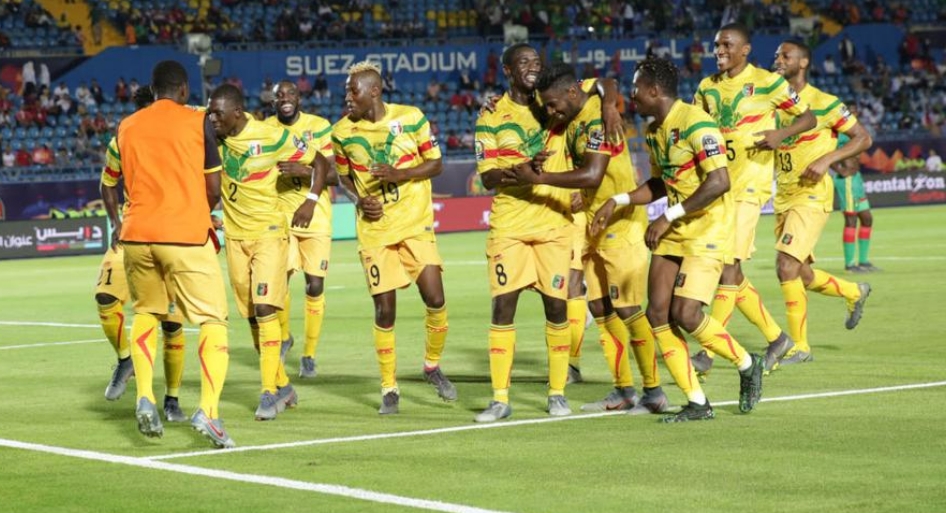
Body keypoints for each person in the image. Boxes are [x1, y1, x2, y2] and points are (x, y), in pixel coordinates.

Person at [591, 57, 765, 422]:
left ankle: (748, 363)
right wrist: (618, 200)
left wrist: (668, 216)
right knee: (657, 312)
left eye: (636, 88)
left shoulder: (696, 123)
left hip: (708, 229)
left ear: (655, 90)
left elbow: (719, 181)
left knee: (685, 313)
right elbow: (661, 183)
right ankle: (697, 402)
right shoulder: (654, 131)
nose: (631, 95)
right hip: (675, 230)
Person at [516, 60, 669, 415]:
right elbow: (604, 81)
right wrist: (608, 99)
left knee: (628, 308)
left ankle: (654, 391)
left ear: (572, 93)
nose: (551, 112)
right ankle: (623, 389)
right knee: (600, 308)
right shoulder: (581, 100)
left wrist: (540, 179)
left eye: (554, 105)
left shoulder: (597, 122)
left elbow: (592, 175)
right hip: (593, 222)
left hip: (620, 222)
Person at [107, 60, 233, 448]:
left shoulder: (126, 126)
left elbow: (116, 180)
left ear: (154, 87)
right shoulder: (197, 121)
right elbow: (213, 188)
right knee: (213, 319)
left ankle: (145, 395)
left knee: (146, 312)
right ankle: (208, 411)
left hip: (137, 235)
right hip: (184, 235)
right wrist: (198, 211)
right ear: (182, 90)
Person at [691, 23, 815, 376]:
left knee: (727, 266)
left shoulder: (768, 82)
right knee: (729, 271)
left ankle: (708, 353)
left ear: (745, 50)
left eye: (727, 45)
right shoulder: (706, 87)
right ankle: (777, 338)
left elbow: (808, 117)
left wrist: (781, 134)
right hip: (717, 186)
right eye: (717, 45)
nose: (719, 50)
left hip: (749, 188)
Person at [333, 61, 456, 414]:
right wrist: (359, 200)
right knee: (385, 311)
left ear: (374, 91)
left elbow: (436, 164)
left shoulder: (411, 117)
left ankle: (431, 366)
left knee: (436, 299)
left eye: (353, 90)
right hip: (375, 232)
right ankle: (389, 387)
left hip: (415, 225)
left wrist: (400, 174)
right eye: (346, 90)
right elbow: (343, 177)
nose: (347, 97)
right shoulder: (341, 132)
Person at [207, 84, 322, 421]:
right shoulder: (214, 135)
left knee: (264, 308)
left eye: (218, 114)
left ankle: (268, 393)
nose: (212, 119)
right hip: (235, 239)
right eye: (210, 113)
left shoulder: (271, 136)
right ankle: (283, 385)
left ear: (237, 113)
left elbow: (320, 163)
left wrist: (310, 201)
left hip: (269, 235)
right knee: (252, 317)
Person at [771, 40, 873, 366]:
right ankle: (853, 292)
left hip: (812, 193)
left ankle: (799, 347)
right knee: (800, 273)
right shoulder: (773, 103)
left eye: (785, 55)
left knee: (785, 266)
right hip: (784, 195)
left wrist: (828, 158)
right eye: (776, 55)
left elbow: (863, 138)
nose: (777, 59)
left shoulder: (825, 103)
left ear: (802, 63)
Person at [97, 85, 191, 424]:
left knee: (172, 324)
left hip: (174, 235)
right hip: (134, 231)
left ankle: (172, 399)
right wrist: (115, 221)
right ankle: (126, 359)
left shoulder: (184, 135)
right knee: (106, 297)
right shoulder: (124, 137)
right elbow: (108, 182)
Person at [264, 80, 335, 379]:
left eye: (290, 94)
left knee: (314, 286)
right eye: (279, 95)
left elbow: (333, 173)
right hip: (281, 216)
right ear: (273, 101)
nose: (285, 99)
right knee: (280, 279)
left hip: (316, 215)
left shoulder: (319, 126)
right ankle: (284, 337)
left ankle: (309, 354)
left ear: (299, 98)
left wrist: (304, 171)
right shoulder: (265, 129)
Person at [832, 105, 880, 273]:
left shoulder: (857, 130)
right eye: (850, 111)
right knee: (851, 220)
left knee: (867, 219)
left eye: (855, 111)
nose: (853, 113)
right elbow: (825, 152)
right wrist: (839, 170)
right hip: (846, 180)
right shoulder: (837, 132)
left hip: (856, 178)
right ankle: (850, 264)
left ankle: (864, 261)